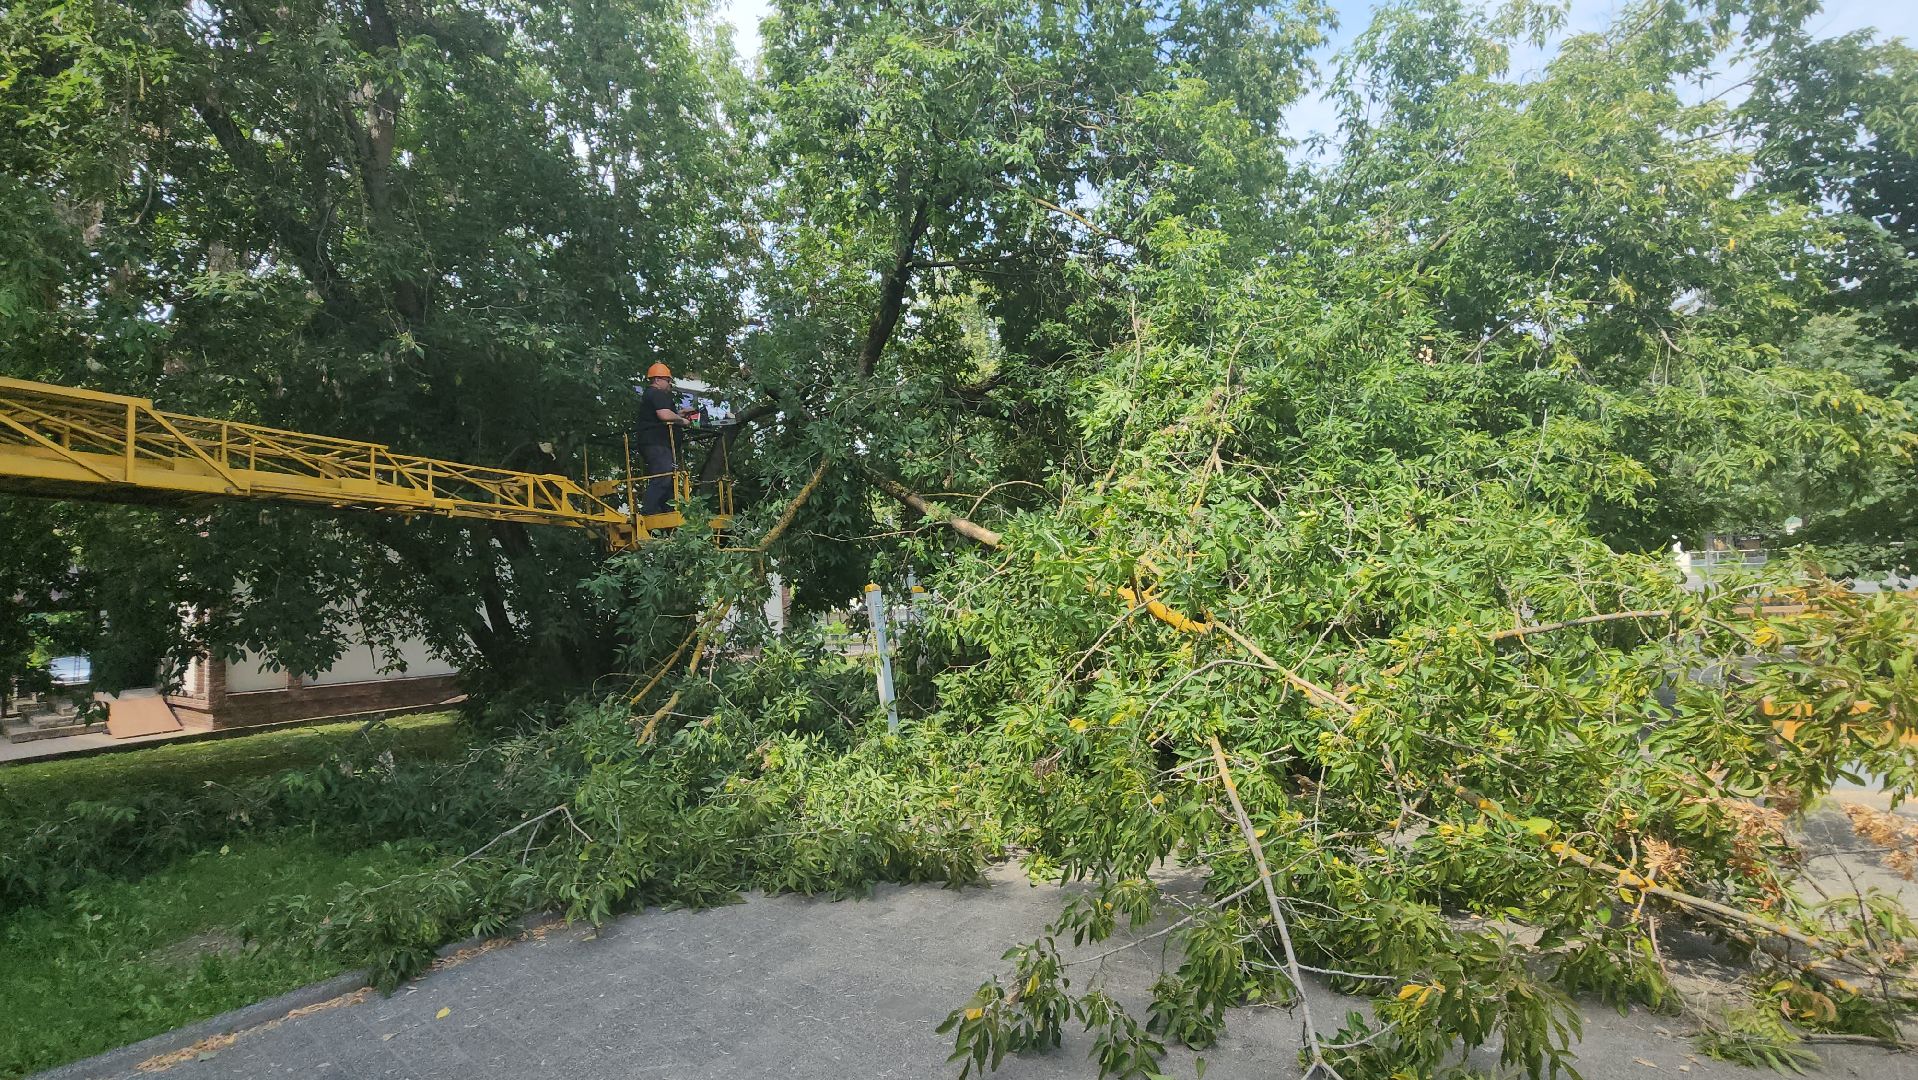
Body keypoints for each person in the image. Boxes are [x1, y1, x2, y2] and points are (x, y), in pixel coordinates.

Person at [634, 362, 697, 514]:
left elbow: (662, 414)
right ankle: (649, 512)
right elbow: (663, 415)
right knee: (663, 476)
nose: (669, 384)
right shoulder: (657, 393)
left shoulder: (651, 395)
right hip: (656, 443)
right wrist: (682, 421)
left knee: (668, 478)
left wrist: (678, 414)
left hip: (654, 443)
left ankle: (666, 510)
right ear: (657, 380)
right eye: (667, 380)